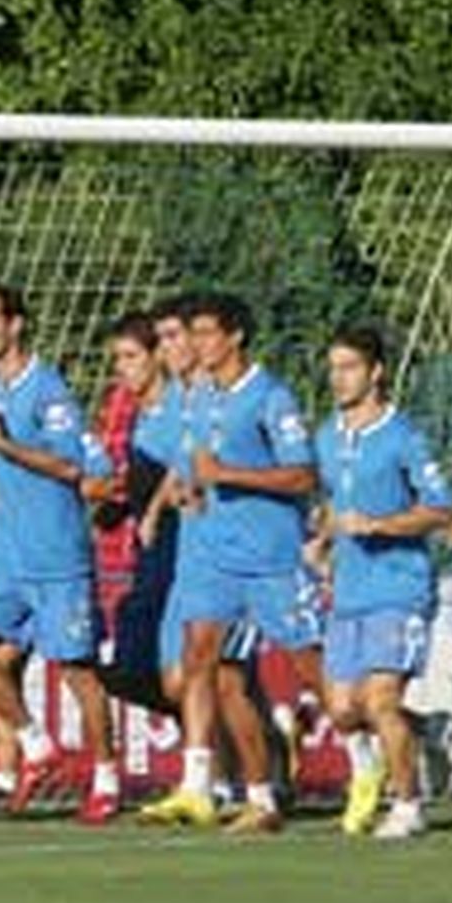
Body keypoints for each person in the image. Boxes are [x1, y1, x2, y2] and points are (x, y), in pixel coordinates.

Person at [137, 293, 323, 834]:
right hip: (214, 558)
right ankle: (225, 789)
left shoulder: (269, 396)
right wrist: (185, 494)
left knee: (314, 670)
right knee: (204, 666)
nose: (195, 345)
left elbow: (303, 476)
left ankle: (380, 755)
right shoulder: (197, 398)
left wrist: (226, 477)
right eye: (186, 335)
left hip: (270, 558)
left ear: (235, 336)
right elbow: (193, 465)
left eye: (203, 333)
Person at [0, 283, 119, 824]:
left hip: (55, 553)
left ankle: (106, 777)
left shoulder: (49, 392)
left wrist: (2, 446)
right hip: (6, 551)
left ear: (15, 325)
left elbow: (74, 470)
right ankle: (37, 746)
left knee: (77, 671)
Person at [315, 324, 452, 840]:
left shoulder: (404, 437)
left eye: (348, 367)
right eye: (333, 368)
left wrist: (379, 526)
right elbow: (334, 502)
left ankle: (408, 805)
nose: (338, 378)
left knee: (379, 701)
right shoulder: (327, 436)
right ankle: (426, 732)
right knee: (343, 710)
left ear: (376, 373)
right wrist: (324, 540)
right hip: (350, 590)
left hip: (399, 588)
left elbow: (440, 509)